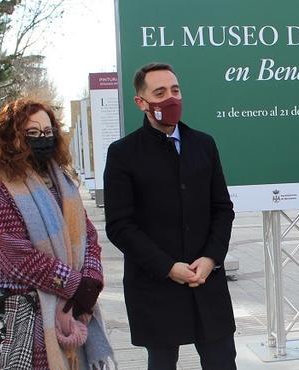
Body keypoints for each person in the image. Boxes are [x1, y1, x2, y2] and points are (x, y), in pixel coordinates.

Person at [104, 62, 237, 370]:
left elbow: (222, 208)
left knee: (221, 361)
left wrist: (211, 258)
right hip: (155, 286)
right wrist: (167, 267)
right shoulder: (123, 153)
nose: (170, 99)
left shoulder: (204, 144)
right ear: (141, 102)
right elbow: (120, 225)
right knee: (162, 363)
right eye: (160, 92)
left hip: (206, 281)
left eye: (175, 90)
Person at [0, 98, 113, 369]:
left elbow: (89, 237)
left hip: (74, 311)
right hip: (24, 320)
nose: (42, 139)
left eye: (48, 132)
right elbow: (16, 257)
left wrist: (91, 281)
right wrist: (75, 286)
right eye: (32, 133)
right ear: (11, 139)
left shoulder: (63, 183)